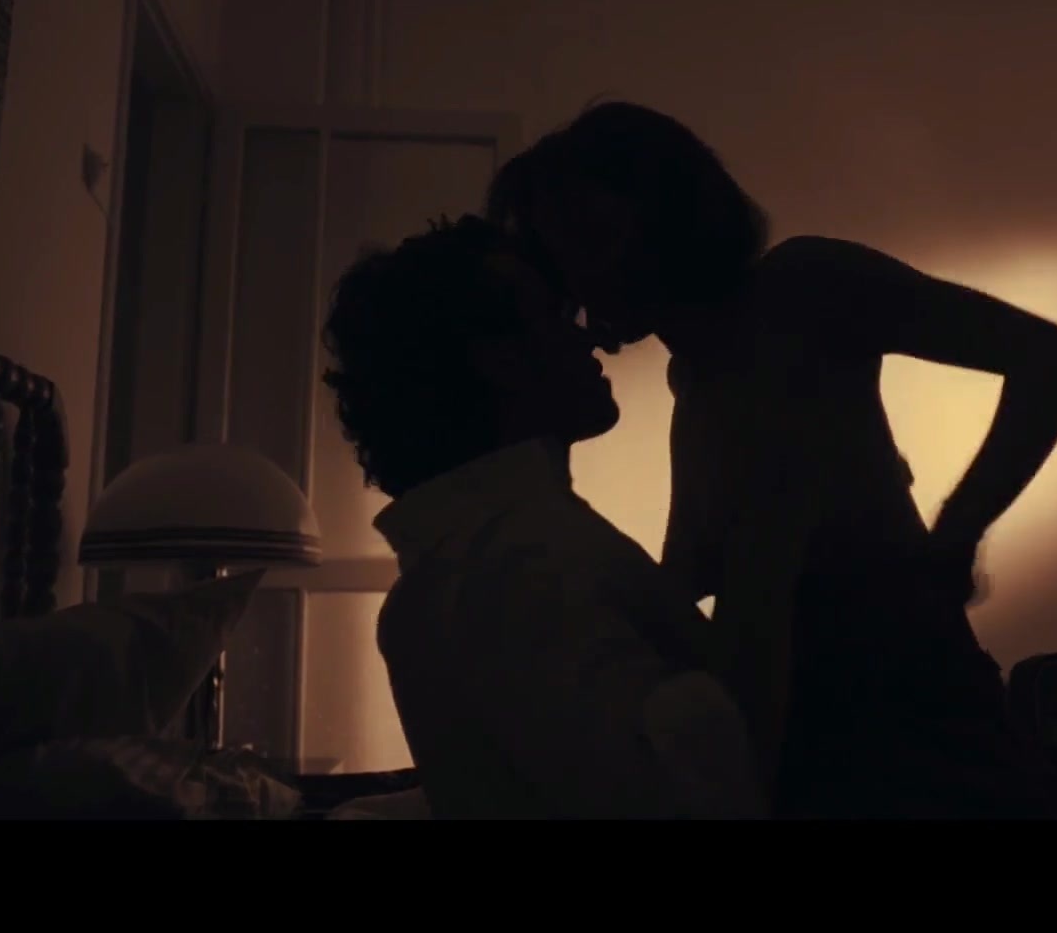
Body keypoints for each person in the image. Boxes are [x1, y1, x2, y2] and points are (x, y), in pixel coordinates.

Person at [484, 101, 1057, 818]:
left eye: (592, 237)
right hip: (808, 734)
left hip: (912, 701)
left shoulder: (803, 284)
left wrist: (958, 530)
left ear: (662, 213)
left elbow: (1053, 359)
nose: (583, 276)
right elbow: (694, 570)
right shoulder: (694, 375)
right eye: (563, 253)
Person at [319, 214, 763, 819]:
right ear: (496, 359)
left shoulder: (456, 572)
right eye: (554, 317)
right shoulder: (528, 566)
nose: (591, 338)